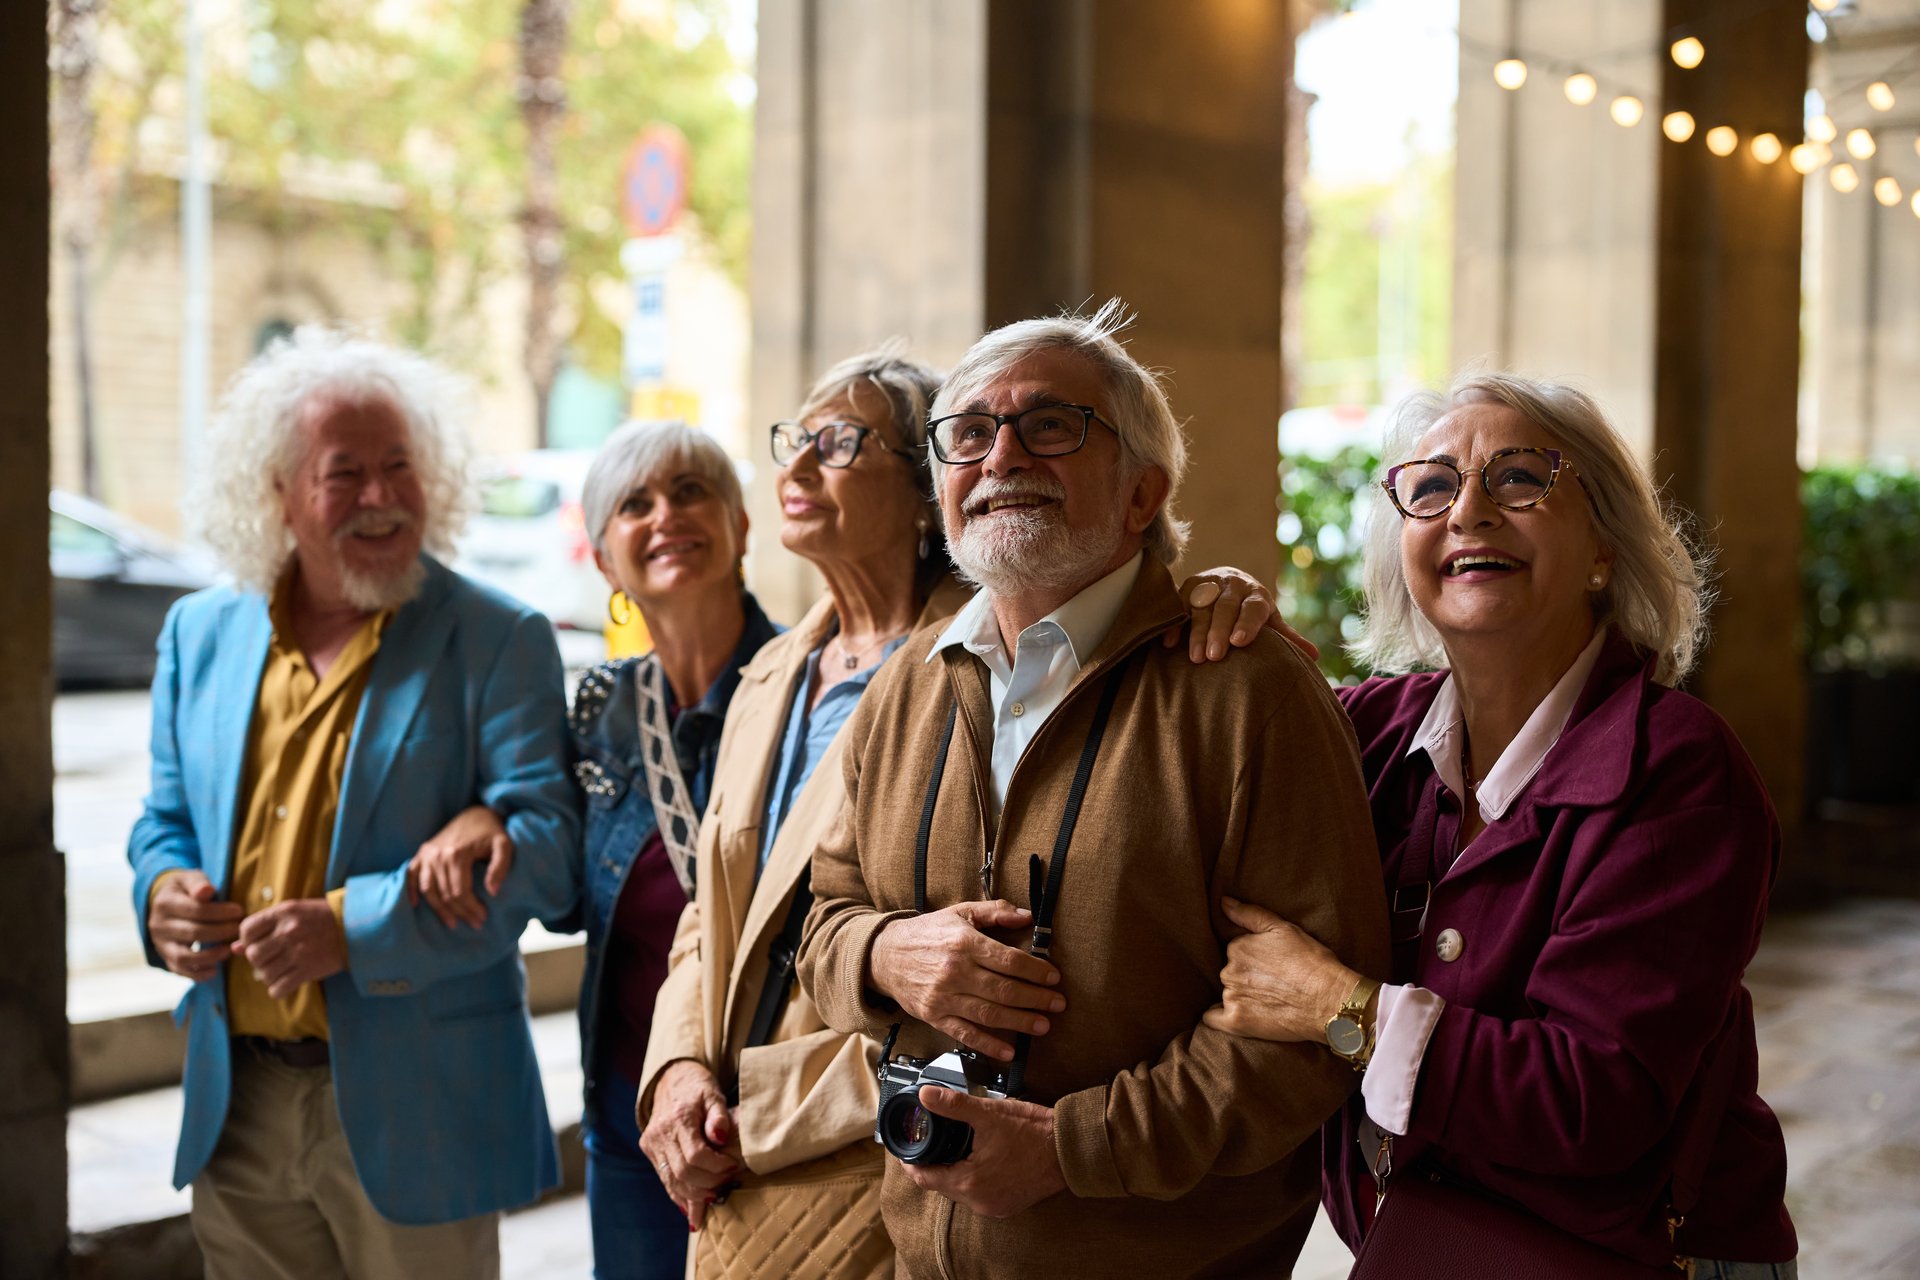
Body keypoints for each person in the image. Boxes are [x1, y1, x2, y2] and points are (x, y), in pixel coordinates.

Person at [794, 304, 1391, 1279]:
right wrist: (885, 952)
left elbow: (1305, 1036)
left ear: (1143, 491)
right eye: (969, 432)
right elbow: (821, 916)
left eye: (1051, 425)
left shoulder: (1247, 690)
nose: (1000, 457)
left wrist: (1073, 1145)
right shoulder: (914, 680)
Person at [1201, 373, 1799, 1275]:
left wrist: (1338, 1008)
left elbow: (1595, 1099)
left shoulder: (1678, 768)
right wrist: (1212, 615)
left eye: (1518, 478)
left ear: (1603, 543)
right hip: (1419, 1247)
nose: (1468, 511)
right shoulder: (1368, 731)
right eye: (1432, 487)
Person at [127, 326, 580, 1278]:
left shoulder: (498, 636)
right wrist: (159, 889)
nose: (380, 497)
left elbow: (545, 852)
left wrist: (352, 927)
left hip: (425, 1109)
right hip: (236, 1100)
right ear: (281, 495)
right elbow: (164, 820)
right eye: (345, 474)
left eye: (399, 467)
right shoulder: (197, 632)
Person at [420, 417, 782, 1280]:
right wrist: (492, 818)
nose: (666, 515)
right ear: (607, 562)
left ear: (740, 526)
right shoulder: (601, 708)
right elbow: (561, 892)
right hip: (630, 1115)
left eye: (692, 491)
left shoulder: (814, 687)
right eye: (635, 504)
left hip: (770, 1111)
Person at [636, 346, 960, 1279]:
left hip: (869, 1160)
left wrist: (763, 1111)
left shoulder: (972, 670)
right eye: (793, 441)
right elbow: (711, 914)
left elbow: (975, 962)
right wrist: (680, 1074)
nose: (798, 466)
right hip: (720, 1151)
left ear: (924, 490)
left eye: (840, 441)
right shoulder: (773, 672)